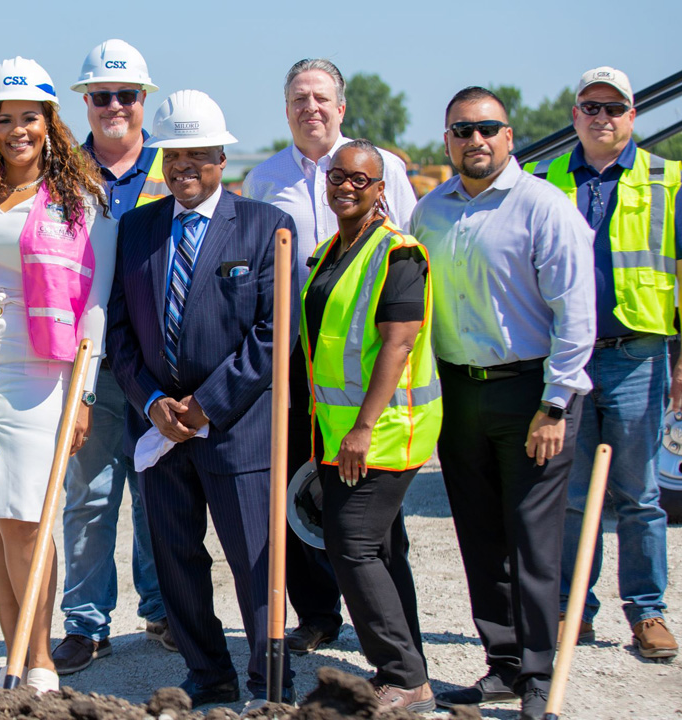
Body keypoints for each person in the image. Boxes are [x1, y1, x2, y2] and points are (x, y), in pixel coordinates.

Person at [408, 87, 595, 720]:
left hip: (529, 394)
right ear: (448, 142)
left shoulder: (545, 208)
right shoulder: (429, 213)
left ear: (509, 136)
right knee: (480, 536)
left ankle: (540, 677)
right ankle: (505, 663)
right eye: (462, 130)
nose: (475, 139)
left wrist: (557, 403)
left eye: (488, 127)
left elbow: (577, 312)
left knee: (533, 541)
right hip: (457, 393)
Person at [107, 89, 298, 706]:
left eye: (198, 157)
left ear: (223, 158)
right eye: (172, 158)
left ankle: (271, 680)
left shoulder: (267, 226)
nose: (184, 169)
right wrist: (153, 401)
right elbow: (118, 331)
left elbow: (274, 334)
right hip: (161, 430)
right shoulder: (135, 230)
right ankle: (207, 673)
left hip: (237, 429)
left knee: (254, 562)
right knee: (176, 560)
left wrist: (206, 404)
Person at [0, 56, 115, 695]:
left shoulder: (82, 201)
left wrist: (83, 392)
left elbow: (95, 300)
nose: (18, 129)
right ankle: (11, 656)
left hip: (39, 377)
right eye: (4, 118)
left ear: (50, 124)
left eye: (29, 117)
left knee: (27, 519)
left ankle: (39, 659)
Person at [525, 66, 682, 661]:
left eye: (613, 108)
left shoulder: (666, 179)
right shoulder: (545, 178)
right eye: (589, 107)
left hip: (638, 359)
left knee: (639, 495)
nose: (601, 117)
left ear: (632, 116)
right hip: (570, 362)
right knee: (571, 497)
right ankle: (569, 609)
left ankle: (647, 612)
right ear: (575, 115)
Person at [243, 58, 418, 656]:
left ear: (341, 106)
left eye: (321, 97)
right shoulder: (266, 179)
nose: (310, 107)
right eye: (298, 98)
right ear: (285, 108)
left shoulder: (383, 166)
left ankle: (390, 623)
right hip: (295, 364)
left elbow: (405, 261)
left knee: (368, 507)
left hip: (369, 365)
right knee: (296, 488)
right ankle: (317, 614)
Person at [301, 139, 439, 713]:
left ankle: (403, 676)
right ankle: (411, 664)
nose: (346, 187)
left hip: (383, 430)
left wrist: (361, 428)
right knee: (381, 548)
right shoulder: (330, 250)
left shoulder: (399, 255)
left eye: (360, 180)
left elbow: (399, 344)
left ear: (381, 190)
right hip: (338, 431)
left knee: (351, 543)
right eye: (338, 177)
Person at [53, 38, 171, 676]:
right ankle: (85, 624)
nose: (114, 106)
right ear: (86, 103)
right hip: (89, 361)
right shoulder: (61, 172)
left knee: (160, 492)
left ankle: (161, 611)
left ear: (142, 98)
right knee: (91, 495)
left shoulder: (174, 162)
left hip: (157, 360)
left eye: (126, 95)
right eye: (102, 96)